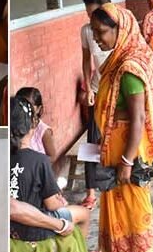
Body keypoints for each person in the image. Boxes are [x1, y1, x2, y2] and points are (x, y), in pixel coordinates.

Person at [89, 2, 153, 252]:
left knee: (133, 205)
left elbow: (138, 119)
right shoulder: (119, 59)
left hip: (127, 146)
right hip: (116, 140)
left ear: (120, 30)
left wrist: (126, 162)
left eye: (101, 32)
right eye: (94, 31)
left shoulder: (130, 67)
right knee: (114, 202)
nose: (97, 38)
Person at [9, 96, 92, 240]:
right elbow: (52, 205)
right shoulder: (39, 160)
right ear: (33, 125)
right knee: (84, 213)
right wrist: (61, 201)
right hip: (36, 228)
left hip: (11, 228)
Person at [80, 0, 113, 210]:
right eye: (88, 14)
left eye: (95, 13)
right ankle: (91, 192)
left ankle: (117, 184)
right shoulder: (86, 31)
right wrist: (88, 89)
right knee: (92, 142)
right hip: (97, 88)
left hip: (117, 90)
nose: (91, 19)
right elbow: (86, 60)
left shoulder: (120, 29)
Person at [16, 87, 58, 161]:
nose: (24, 110)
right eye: (21, 106)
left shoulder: (43, 131)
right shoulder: (15, 126)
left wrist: (35, 164)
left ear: (38, 109)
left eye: (29, 107)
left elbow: (52, 157)